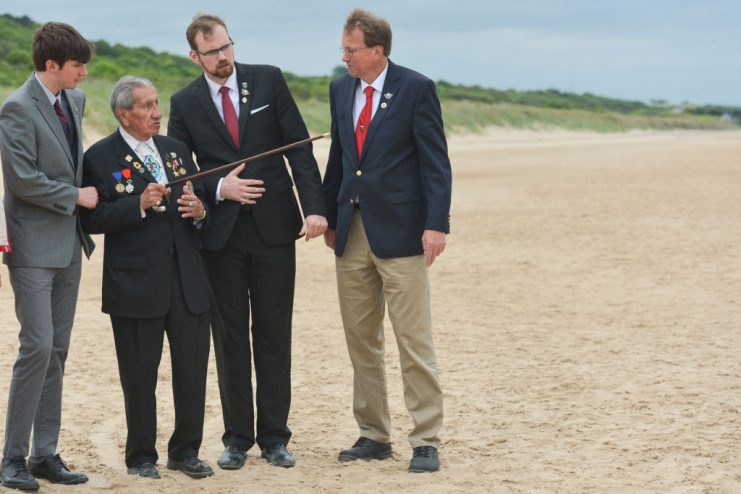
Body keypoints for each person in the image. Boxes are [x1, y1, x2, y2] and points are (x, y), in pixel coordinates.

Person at [168, 14, 327, 469]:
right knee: (231, 338)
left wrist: (314, 208)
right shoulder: (186, 102)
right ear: (194, 55)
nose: (223, 57)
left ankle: (275, 437)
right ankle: (237, 437)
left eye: (226, 47)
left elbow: (298, 146)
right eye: (213, 51)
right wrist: (220, 189)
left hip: (277, 229)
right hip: (220, 237)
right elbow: (182, 172)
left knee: (274, 334)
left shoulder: (268, 81)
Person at [322, 8, 452, 473]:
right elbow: (339, 154)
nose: (344, 57)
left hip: (402, 232)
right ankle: (373, 434)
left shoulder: (416, 88)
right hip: (350, 230)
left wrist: (436, 224)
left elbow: (435, 162)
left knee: (413, 339)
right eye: (343, 48)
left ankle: (425, 439)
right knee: (361, 340)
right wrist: (327, 213)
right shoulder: (340, 89)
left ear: (377, 50)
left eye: (351, 50)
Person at [80, 76, 213, 480]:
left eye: (157, 104)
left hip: (187, 280)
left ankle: (186, 451)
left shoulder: (175, 149)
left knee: (192, 370)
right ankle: (140, 456)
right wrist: (136, 205)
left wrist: (199, 210)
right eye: (147, 106)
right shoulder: (100, 157)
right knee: (139, 374)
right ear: (124, 113)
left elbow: (198, 197)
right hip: (136, 284)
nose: (158, 113)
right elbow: (91, 218)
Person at [0, 22, 97, 490]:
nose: (83, 73)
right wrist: (77, 196)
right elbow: (22, 179)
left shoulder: (75, 101)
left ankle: (44, 454)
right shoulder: (16, 108)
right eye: (77, 65)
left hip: (69, 246)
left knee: (57, 350)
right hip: (33, 248)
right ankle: (12, 458)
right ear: (52, 65)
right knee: (36, 347)